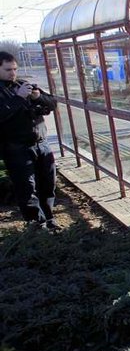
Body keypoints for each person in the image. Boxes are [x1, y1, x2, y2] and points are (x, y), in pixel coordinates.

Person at [0, 51, 59, 230]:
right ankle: (36, 224)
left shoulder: (22, 84)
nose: (13, 73)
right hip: (16, 147)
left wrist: (37, 97)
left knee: (48, 183)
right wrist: (18, 98)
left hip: (41, 143)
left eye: (15, 69)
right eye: (8, 69)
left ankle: (49, 218)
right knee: (27, 187)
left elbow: (53, 103)